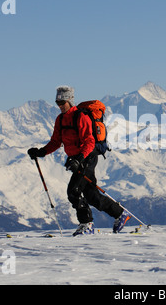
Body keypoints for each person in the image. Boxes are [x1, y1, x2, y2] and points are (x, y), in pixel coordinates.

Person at [28, 86, 131, 236]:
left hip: (87, 157)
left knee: (73, 191)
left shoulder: (80, 117)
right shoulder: (61, 119)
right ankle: (120, 213)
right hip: (76, 159)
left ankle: (86, 224)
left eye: (62, 102)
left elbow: (89, 141)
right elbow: (56, 142)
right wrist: (40, 152)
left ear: (70, 101)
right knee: (91, 196)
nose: (60, 106)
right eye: (57, 102)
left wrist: (80, 158)